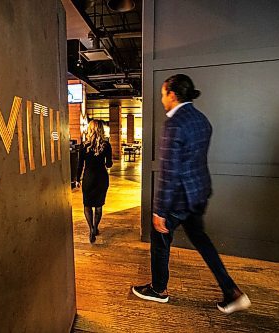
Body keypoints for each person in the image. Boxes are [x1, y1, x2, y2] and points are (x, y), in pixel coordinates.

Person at [132, 74, 251, 314]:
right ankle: (232, 292)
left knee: (160, 238)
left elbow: (169, 172)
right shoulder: (201, 120)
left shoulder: (174, 124)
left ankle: (158, 290)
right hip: (198, 193)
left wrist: (159, 211)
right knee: (202, 241)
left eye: (163, 94)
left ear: (172, 95)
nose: (162, 98)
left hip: (179, 198)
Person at [76, 119, 113, 243]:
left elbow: (80, 165)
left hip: (88, 178)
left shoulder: (84, 146)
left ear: (90, 130)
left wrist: (77, 179)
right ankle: (96, 227)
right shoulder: (106, 145)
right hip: (102, 178)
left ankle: (91, 228)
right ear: (101, 130)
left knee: (87, 205)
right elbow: (109, 164)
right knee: (98, 206)